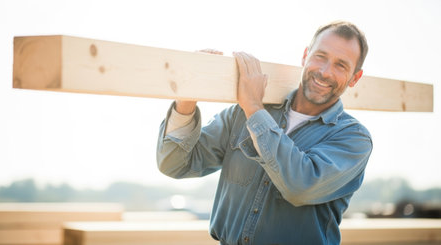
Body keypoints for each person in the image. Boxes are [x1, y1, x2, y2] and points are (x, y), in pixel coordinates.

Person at [156, 21, 372, 244]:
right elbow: (176, 164)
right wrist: (186, 99)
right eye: (320, 56)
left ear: (355, 78)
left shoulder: (354, 139)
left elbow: (300, 186)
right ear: (305, 55)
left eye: (341, 65)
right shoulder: (242, 114)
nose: (325, 71)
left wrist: (254, 108)